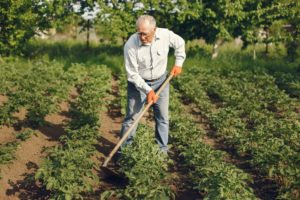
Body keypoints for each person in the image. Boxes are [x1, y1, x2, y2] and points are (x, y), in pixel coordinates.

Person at [119, 15, 186, 154]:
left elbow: (180, 43)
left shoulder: (165, 35)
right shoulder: (131, 45)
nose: (142, 37)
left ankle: (162, 152)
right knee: (132, 118)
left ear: (154, 30)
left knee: (162, 118)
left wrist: (178, 63)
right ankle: (124, 152)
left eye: (145, 33)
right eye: (139, 33)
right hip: (138, 84)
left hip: (161, 81)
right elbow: (132, 73)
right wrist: (148, 90)